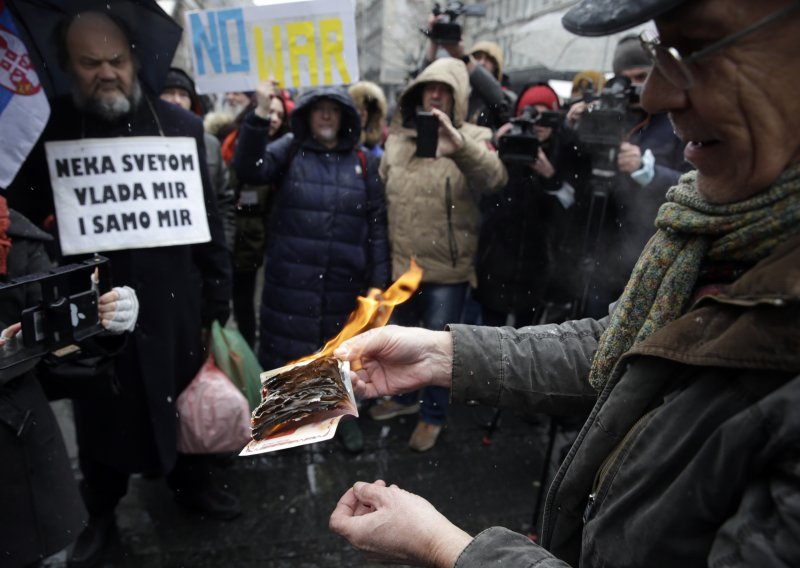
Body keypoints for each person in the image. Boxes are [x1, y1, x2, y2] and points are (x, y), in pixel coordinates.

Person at [329, 0, 800, 565]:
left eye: (699, 49)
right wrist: (441, 354)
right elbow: (629, 348)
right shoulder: (714, 230)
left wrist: (444, 546)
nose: (654, 97)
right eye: (660, 54)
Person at [6, 10, 234, 567]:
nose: (106, 73)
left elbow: (209, 223)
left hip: (177, 308)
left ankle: (192, 487)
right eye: (90, 63)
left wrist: (218, 301)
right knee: (104, 421)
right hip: (95, 317)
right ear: (66, 66)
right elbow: (26, 226)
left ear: (136, 61)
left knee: (185, 405)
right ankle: (100, 512)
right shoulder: (49, 132)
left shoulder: (179, 128)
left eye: (117, 61)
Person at [233, 83, 390, 452]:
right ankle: (287, 423)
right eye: (318, 109)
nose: (325, 116)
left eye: (333, 110)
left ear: (345, 117)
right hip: (292, 281)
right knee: (291, 356)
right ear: (306, 115)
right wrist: (258, 114)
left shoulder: (365, 162)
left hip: (343, 284)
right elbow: (248, 167)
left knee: (341, 356)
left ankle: (341, 420)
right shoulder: (290, 150)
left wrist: (378, 283)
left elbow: (377, 226)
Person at [367, 57, 507, 452]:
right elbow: (380, 198)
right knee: (399, 342)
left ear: (458, 99)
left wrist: (458, 147)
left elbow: (495, 178)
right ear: (416, 95)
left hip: (449, 271)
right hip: (402, 268)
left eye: (445, 90)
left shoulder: (473, 136)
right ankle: (406, 400)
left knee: (440, 350)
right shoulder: (396, 141)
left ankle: (433, 415)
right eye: (429, 88)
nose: (436, 94)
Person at [569, 35, 691, 318]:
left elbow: (695, 187)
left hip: (650, 255)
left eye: (642, 76)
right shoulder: (605, 115)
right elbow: (572, 176)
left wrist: (649, 173)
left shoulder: (677, 121)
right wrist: (572, 130)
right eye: (626, 79)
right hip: (601, 253)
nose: (635, 86)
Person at [476, 84, 589, 327]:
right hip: (496, 263)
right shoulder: (507, 144)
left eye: (544, 115)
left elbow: (572, 208)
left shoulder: (566, 152)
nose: (537, 123)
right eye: (530, 114)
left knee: (525, 342)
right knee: (487, 335)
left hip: (539, 270)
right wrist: (495, 148)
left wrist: (550, 176)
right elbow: (483, 196)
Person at [224, 86, 292, 348]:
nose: (273, 118)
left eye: (279, 114)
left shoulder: (288, 150)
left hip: (268, 242)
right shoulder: (233, 143)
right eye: (268, 111)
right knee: (241, 302)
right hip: (241, 238)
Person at [160, 67, 236, 251]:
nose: (177, 100)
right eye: (169, 93)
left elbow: (224, 202)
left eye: (183, 94)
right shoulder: (145, 142)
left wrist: (223, 246)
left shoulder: (209, 144)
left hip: (202, 249)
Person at [348, 81, 388, 159]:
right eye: (359, 108)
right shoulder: (343, 149)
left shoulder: (380, 156)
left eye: (368, 110)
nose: (364, 114)